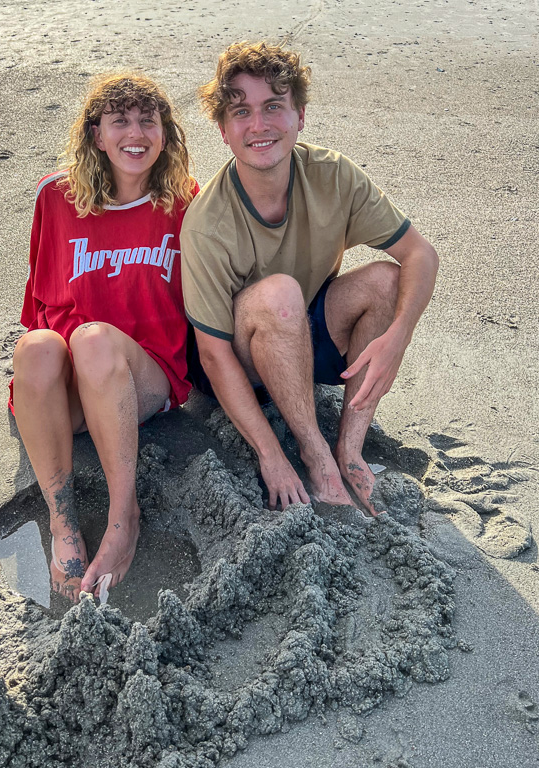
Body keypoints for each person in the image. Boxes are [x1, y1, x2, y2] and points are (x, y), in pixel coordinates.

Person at [181, 41, 439, 516]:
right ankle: (316, 454)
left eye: (274, 106)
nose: (259, 125)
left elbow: (420, 254)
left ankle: (349, 448)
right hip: (237, 364)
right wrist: (270, 455)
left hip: (306, 343)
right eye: (242, 112)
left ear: (300, 115)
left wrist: (399, 336)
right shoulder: (207, 221)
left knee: (386, 279)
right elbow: (213, 356)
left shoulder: (333, 175)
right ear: (223, 129)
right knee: (281, 293)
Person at [10, 73, 197, 602]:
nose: (134, 133)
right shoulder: (56, 197)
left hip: (145, 377)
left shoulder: (185, 202)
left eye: (147, 121)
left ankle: (123, 518)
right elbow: (40, 307)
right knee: (37, 346)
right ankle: (61, 520)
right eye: (119, 121)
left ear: (165, 134)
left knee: (93, 339)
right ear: (96, 135)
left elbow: (209, 304)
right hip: (77, 379)